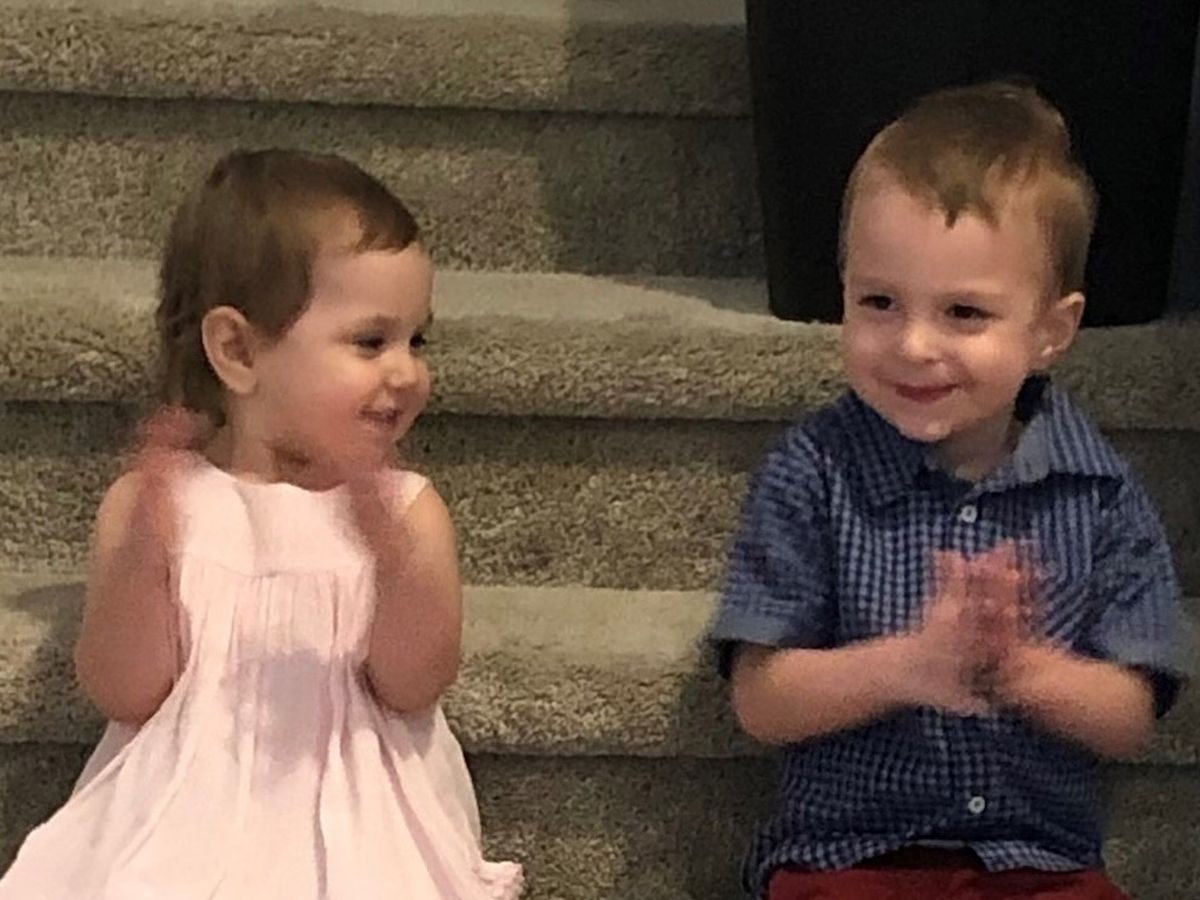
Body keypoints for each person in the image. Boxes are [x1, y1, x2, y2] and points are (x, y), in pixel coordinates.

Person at [709, 81, 1191, 900]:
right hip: (848, 858)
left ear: (1051, 332)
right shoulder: (813, 470)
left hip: (1039, 864)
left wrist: (1018, 669)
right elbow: (760, 698)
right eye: (879, 302)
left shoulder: (1100, 493)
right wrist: (908, 666)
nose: (914, 344)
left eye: (964, 312)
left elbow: (1129, 718)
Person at [0, 149, 523, 900]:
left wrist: (390, 559)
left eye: (418, 340)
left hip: (360, 819)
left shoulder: (409, 510)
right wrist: (143, 555)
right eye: (371, 341)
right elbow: (125, 692)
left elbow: (415, 685)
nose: (406, 371)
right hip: (184, 813)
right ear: (238, 351)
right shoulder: (156, 505)